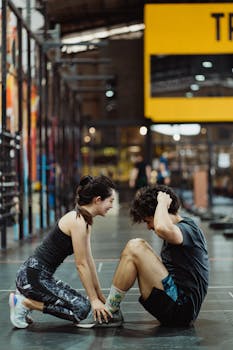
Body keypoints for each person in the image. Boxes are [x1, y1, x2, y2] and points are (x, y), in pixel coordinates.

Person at [78, 184, 209, 328]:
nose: (148, 227)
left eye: (148, 221)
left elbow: (161, 227)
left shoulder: (188, 229)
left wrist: (162, 203)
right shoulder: (181, 229)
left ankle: (110, 312)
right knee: (138, 249)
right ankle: (112, 310)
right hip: (176, 303)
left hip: (182, 308)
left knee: (136, 247)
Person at [9, 175, 122, 329]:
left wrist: (98, 296)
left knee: (84, 305)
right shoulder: (77, 222)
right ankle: (26, 303)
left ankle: (27, 298)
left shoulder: (85, 221)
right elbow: (81, 265)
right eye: (110, 201)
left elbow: (89, 261)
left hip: (40, 277)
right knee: (82, 309)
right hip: (32, 277)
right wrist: (94, 300)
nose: (111, 205)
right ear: (97, 200)